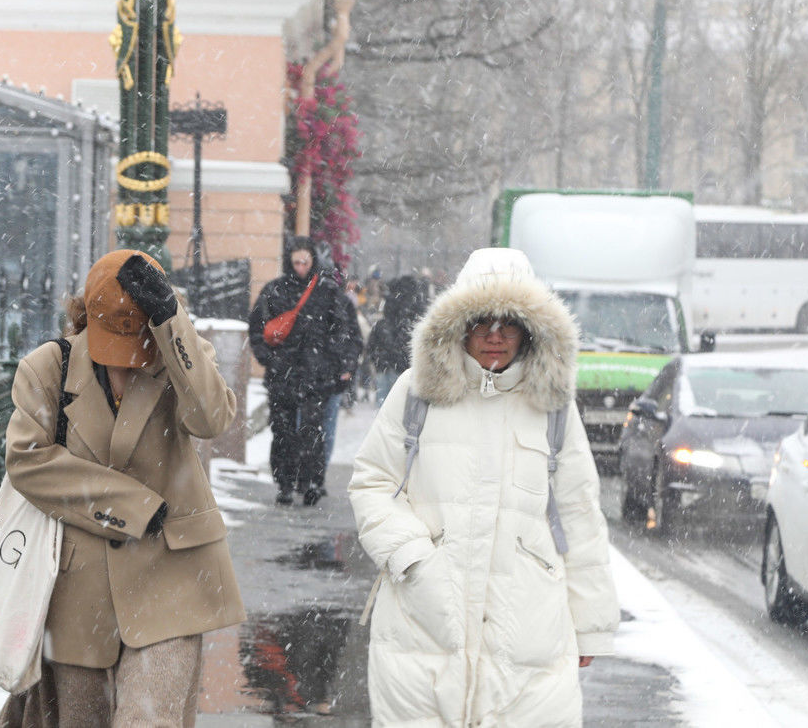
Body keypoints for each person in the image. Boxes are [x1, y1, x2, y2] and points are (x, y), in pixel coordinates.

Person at [348, 248, 618, 727]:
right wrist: (412, 555)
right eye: (480, 322)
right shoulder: (415, 394)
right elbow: (372, 481)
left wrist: (591, 624)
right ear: (458, 325)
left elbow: (578, 513)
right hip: (422, 622)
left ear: (531, 330)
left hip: (527, 631)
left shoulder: (554, 407)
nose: (494, 336)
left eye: (509, 323)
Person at [0, 248, 246, 728]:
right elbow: (26, 462)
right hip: (77, 590)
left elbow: (212, 419)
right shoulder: (47, 369)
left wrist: (172, 324)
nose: (126, 362)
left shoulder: (183, 355)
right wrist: (127, 505)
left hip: (172, 578)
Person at [249, 237, 362, 506]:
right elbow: (256, 327)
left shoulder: (326, 291)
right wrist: (269, 359)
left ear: (313, 261)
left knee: (312, 429)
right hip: (286, 372)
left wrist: (342, 364)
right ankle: (286, 483)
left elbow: (346, 331)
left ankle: (310, 481)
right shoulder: (276, 290)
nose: (300, 267)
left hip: (315, 373)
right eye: (296, 261)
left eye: (305, 262)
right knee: (284, 430)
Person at [364, 274, 431, 405]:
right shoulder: (414, 307)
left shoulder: (387, 316)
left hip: (386, 364)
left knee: (384, 406)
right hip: (403, 366)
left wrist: (379, 360)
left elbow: (372, 344)